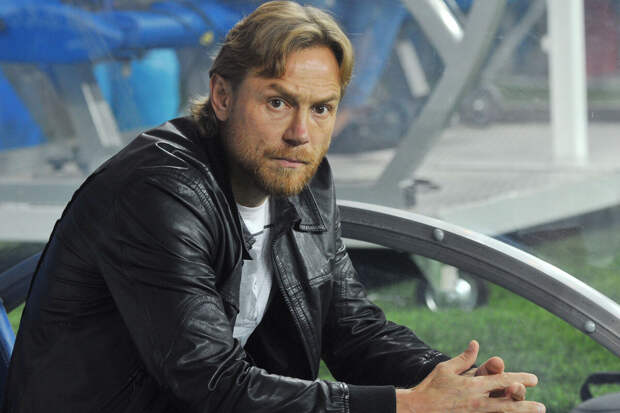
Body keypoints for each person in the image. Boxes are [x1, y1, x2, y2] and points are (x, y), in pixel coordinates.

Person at [3, 2, 545, 412]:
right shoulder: (160, 190)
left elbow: (352, 328)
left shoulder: (302, 178)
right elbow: (209, 381)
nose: (300, 133)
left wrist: (456, 383)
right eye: (278, 102)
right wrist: (406, 405)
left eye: (322, 108)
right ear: (222, 97)